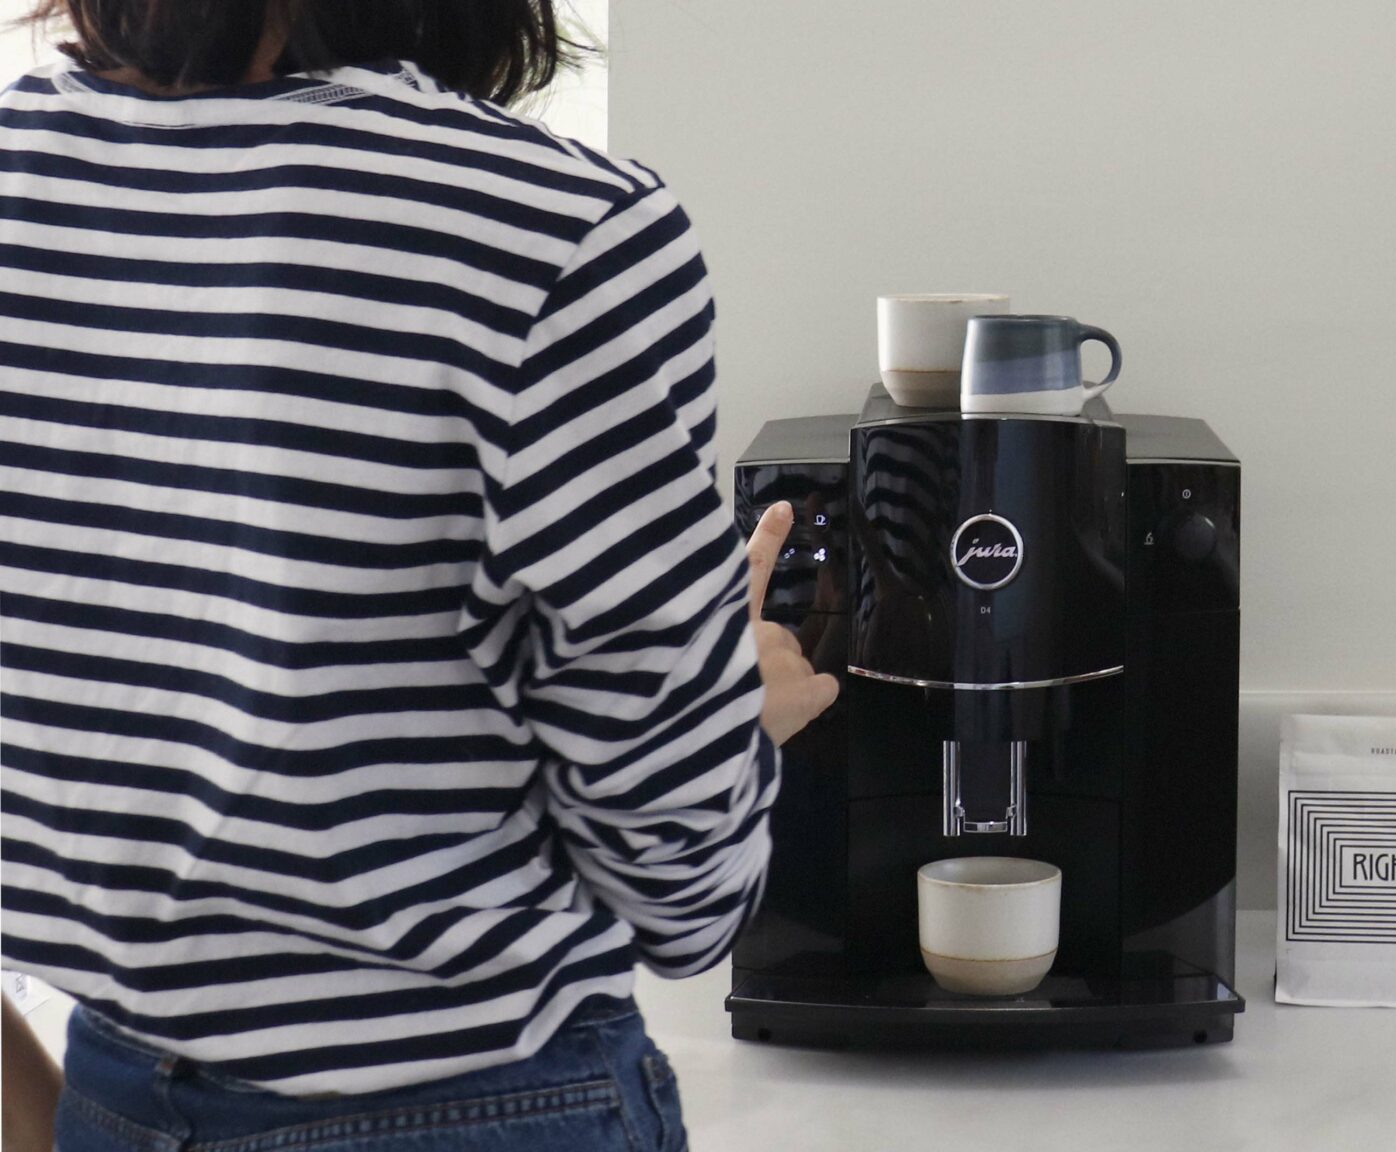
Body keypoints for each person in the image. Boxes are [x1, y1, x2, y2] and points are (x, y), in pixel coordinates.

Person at [0, 2, 838, 1148]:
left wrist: (51, 1121)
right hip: (478, 1101)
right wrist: (732, 716)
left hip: (111, 1091)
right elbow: (680, 894)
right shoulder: (552, 230)